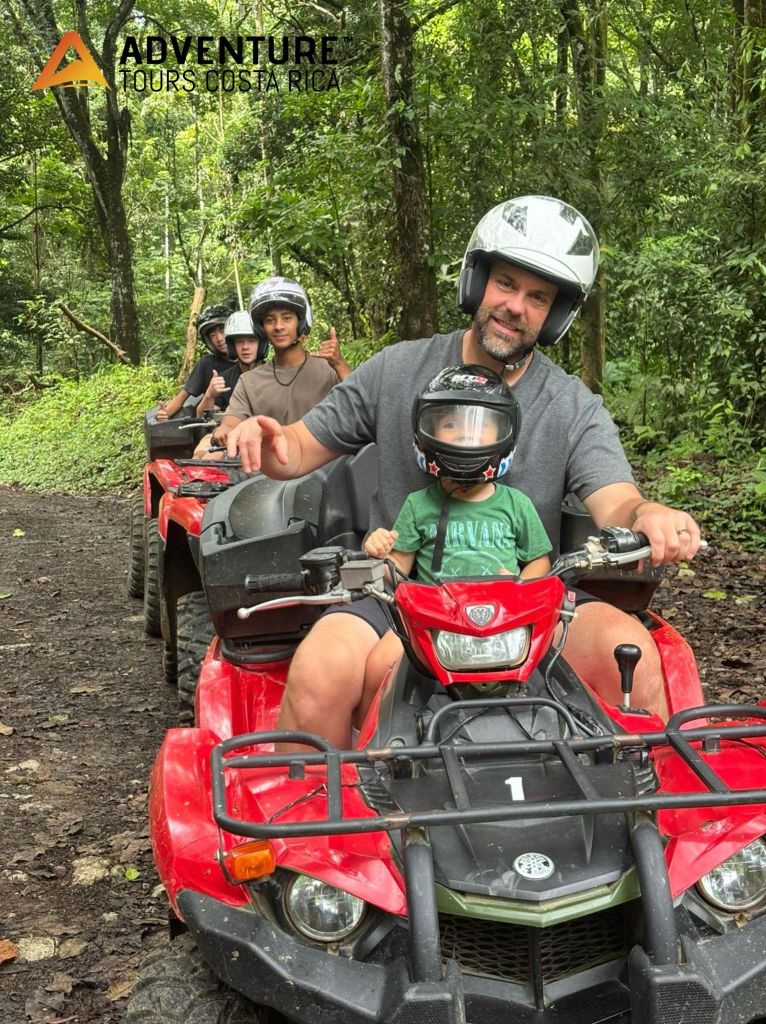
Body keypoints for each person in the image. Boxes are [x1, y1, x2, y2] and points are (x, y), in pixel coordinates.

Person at [224, 195, 702, 746]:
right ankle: (321, 802)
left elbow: (616, 500)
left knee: (633, 656)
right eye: (505, 283)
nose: (515, 306)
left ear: (556, 315)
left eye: (538, 297)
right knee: (318, 673)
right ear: (477, 283)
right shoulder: (398, 369)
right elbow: (298, 447)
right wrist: (270, 439)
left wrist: (648, 514)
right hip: (398, 592)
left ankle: (642, 800)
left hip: (529, 597)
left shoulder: (571, 404)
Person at [360, 364, 552, 716]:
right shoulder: (419, 504)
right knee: (378, 667)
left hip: (504, 620)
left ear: (504, 432)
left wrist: (521, 591)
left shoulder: (516, 504)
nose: (466, 434)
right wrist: (378, 552)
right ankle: (372, 739)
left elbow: (539, 560)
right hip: (431, 619)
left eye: (480, 426)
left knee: (554, 671)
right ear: (427, 431)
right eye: (451, 425)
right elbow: (397, 569)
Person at [194, 276, 351, 456]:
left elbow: (362, 405)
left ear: (301, 322)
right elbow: (231, 421)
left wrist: (340, 363)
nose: (278, 326)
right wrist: (225, 430)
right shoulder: (249, 382)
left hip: (326, 464)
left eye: (287, 318)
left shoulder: (329, 369)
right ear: (261, 328)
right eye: (270, 320)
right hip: (269, 468)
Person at [155, 304, 232, 421]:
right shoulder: (206, 364)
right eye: (213, 335)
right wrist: (166, 412)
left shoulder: (249, 362)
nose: (219, 339)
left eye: (222, 332)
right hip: (216, 423)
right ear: (208, 340)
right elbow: (182, 396)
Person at [194, 309, 264, 418]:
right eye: (240, 342)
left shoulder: (275, 375)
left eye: (251, 341)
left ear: (261, 345)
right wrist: (209, 395)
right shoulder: (224, 379)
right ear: (232, 346)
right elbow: (201, 417)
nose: (245, 347)